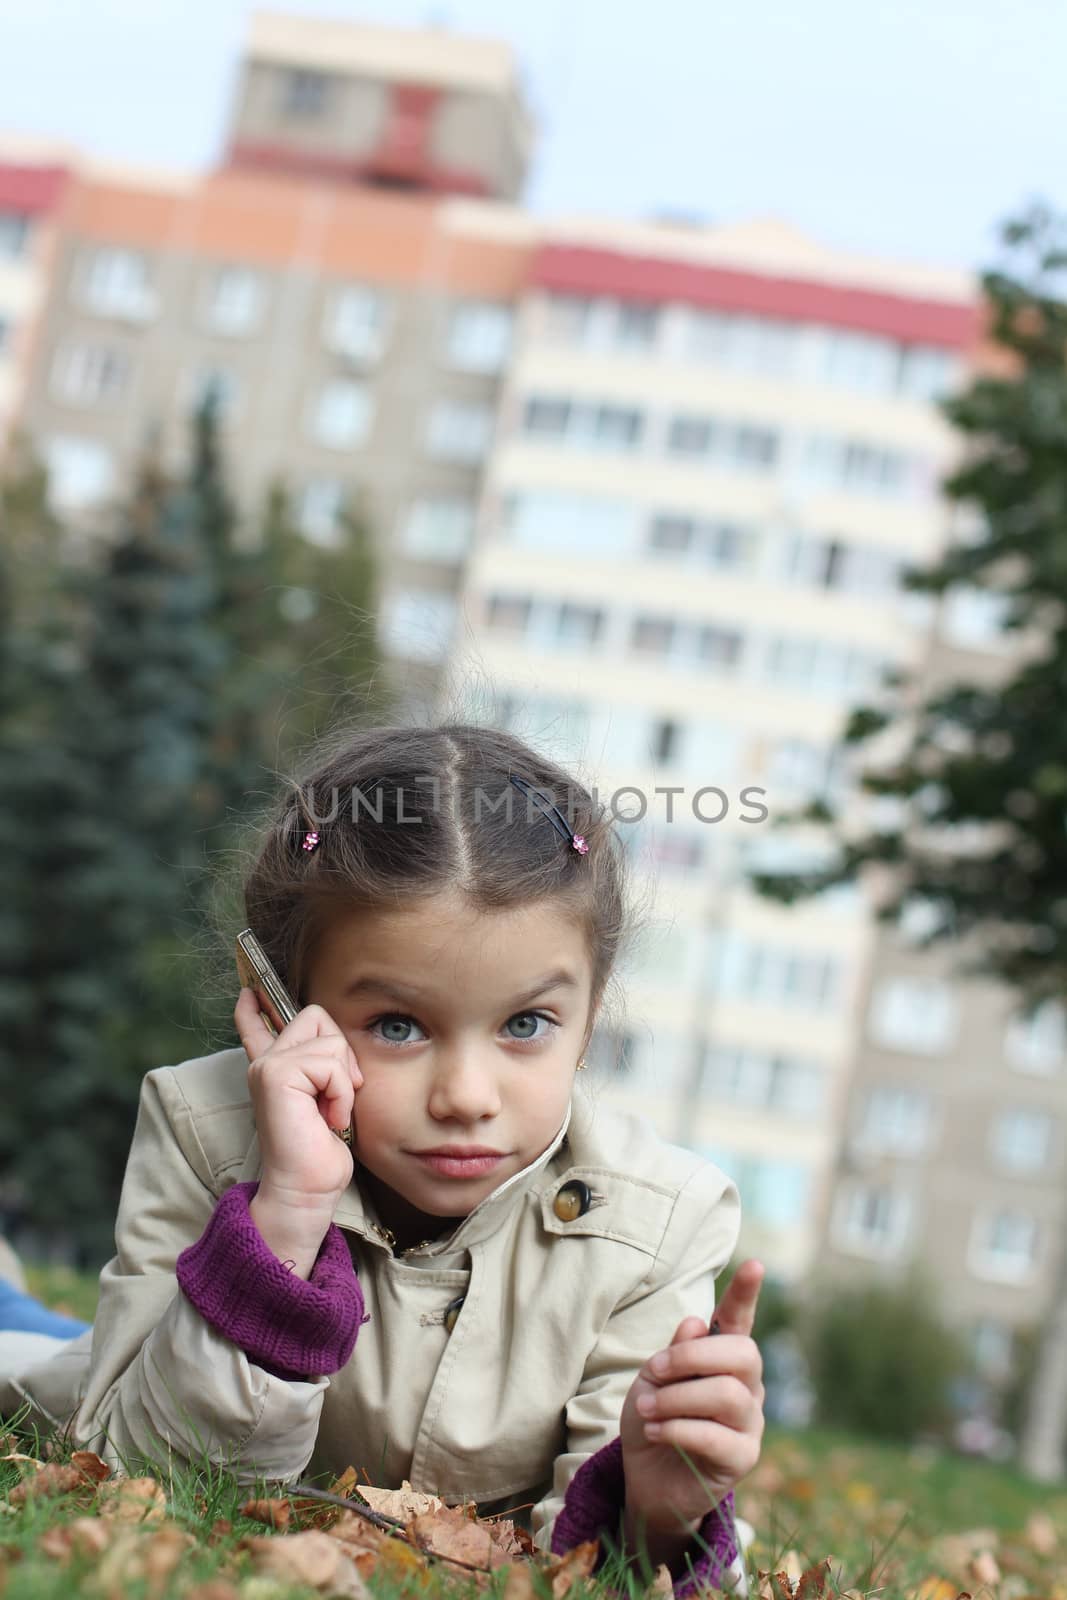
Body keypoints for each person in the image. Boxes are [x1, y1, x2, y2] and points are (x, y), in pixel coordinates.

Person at [0, 721, 764, 1595]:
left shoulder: (662, 1220)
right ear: (286, 1009)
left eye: (525, 1025)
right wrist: (284, 1213)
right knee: (29, 1354)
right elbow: (137, 1474)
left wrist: (658, 1514)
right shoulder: (206, 1127)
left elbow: (596, 1566)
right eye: (398, 1026)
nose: (467, 1095)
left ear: (588, 1018)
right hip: (105, 1363)